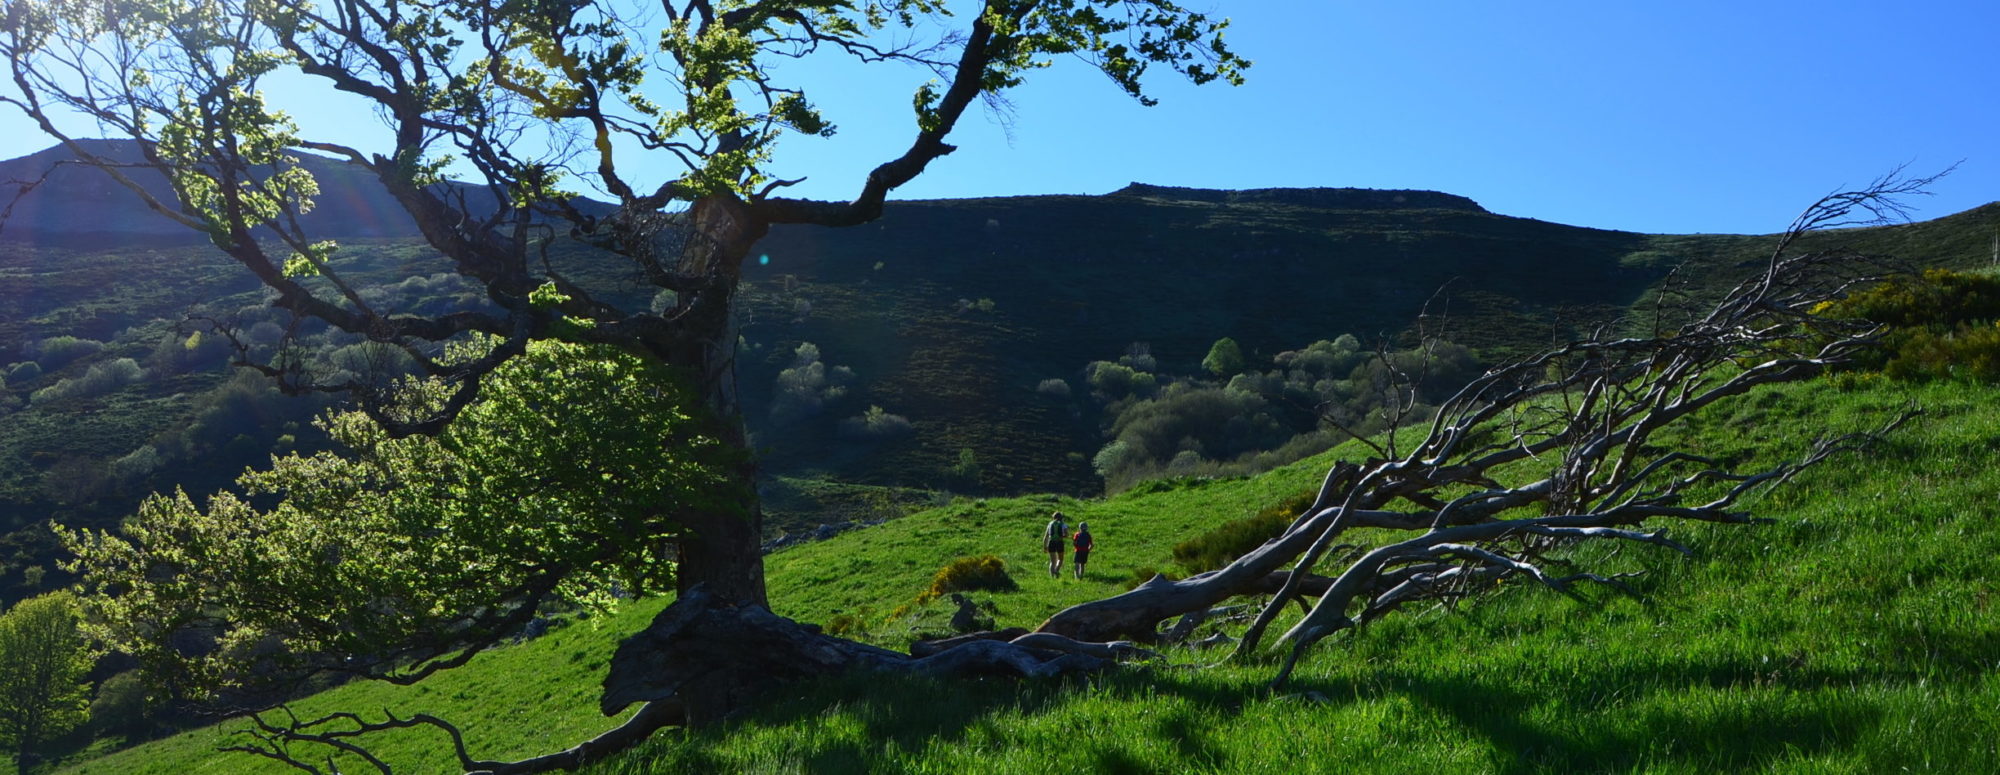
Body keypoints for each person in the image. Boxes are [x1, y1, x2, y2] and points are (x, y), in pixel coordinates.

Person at [1041, 511, 1069, 578]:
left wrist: (1045, 546)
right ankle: (1056, 570)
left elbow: (1046, 536)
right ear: (1061, 518)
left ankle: (1052, 577)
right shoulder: (1063, 524)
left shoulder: (1050, 524)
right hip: (1059, 542)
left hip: (1051, 542)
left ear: (1053, 517)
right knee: (1060, 559)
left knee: (1052, 561)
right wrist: (1063, 536)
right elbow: (1067, 534)